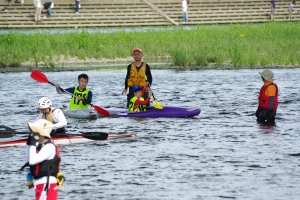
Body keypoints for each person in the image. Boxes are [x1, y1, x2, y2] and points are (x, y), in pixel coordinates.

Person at [25, 119, 61, 200]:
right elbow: (28, 160)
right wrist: (28, 144)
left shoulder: (49, 147)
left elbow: (32, 161)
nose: (32, 133)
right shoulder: (40, 145)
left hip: (46, 184)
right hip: (40, 184)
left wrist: (33, 143)